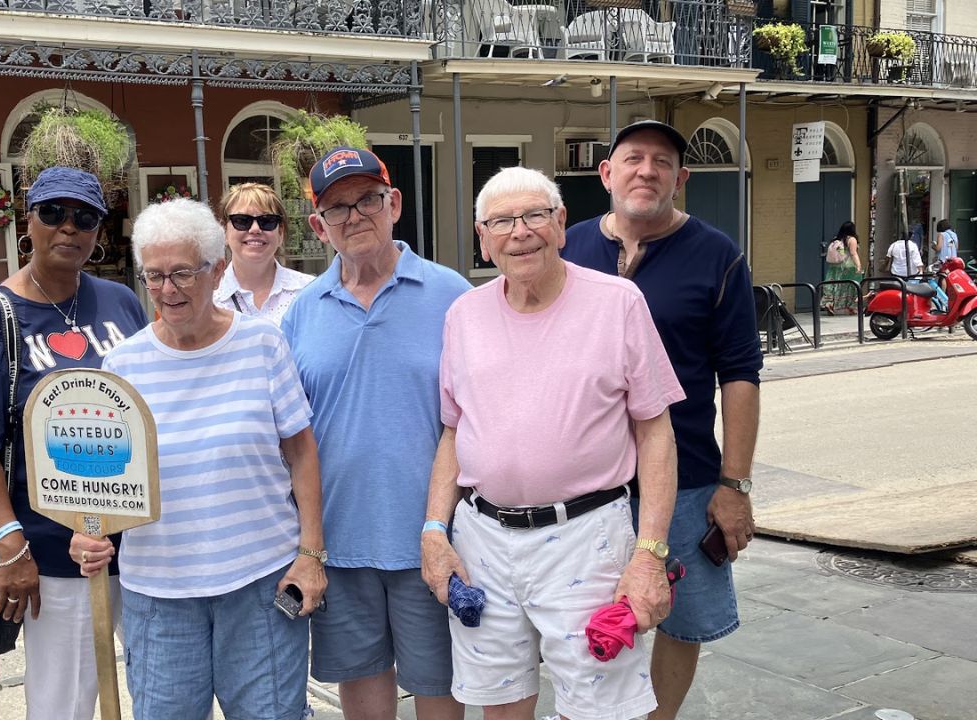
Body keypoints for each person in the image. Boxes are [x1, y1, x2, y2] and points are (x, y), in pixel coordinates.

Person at [422, 166, 683, 720]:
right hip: (483, 540)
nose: (520, 231)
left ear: (561, 224)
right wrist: (434, 531)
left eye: (535, 215)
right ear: (483, 239)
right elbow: (453, 431)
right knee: (499, 702)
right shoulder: (463, 316)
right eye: (502, 222)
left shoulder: (618, 303)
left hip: (586, 538)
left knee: (598, 706)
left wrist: (649, 554)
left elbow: (655, 431)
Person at [70, 198, 325, 719]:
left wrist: (311, 555)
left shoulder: (262, 343)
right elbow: (102, 476)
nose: (168, 290)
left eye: (183, 273)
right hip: (159, 594)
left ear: (218, 270)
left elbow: (301, 452)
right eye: (155, 275)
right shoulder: (123, 364)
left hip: (260, 585)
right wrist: (89, 530)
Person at [562, 120, 763, 720]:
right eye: (632, 159)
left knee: (680, 617)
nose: (645, 171)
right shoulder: (567, 248)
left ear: (682, 178)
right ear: (606, 174)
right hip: (584, 481)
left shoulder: (717, 256)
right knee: (587, 613)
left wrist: (735, 486)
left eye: (661, 162)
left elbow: (742, 377)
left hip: (689, 475)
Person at [0, 166, 147, 720]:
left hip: (141, 546)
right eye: (53, 213)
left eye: (84, 217)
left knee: (162, 690)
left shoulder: (121, 302)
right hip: (53, 552)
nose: (69, 228)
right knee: (65, 703)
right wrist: (13, 548)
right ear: (26, 222)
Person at [281, 147, 471, 720]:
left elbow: (472, 419)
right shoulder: (302, 312)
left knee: (441, 690)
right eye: (337, 208)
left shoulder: (453, 297)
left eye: (368, 198)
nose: (355, 215)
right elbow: (291, 435)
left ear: (395, 204)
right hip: (338, 544)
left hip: (432, 541)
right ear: (319, 227)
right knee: (362, 695)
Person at [214, 182, 313, 324]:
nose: (255, 229)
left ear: (280, 233)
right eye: (242, 220)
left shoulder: (309, 292)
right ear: (224, 231)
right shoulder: (207, 298)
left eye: (267, 221)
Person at [821, 222, 862, 316]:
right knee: (851, 286)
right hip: (849, 267)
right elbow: (853, 253)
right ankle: (851, 307)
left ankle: (829, 303)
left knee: (834, 285)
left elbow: (841, 254)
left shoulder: (837, 239)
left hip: (835, 267)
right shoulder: (852, 239)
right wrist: (858, 265)